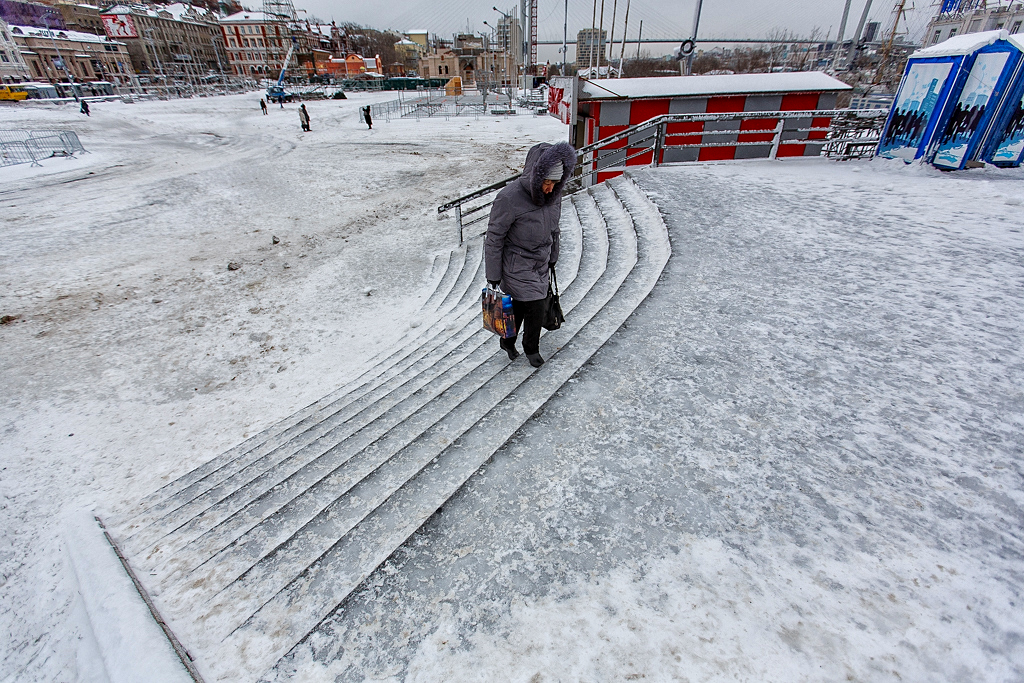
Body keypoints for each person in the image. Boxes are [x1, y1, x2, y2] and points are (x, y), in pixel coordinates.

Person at [485, 141, 576, 368]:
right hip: (516, 263)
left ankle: (507, 340)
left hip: (541, 262)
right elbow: (494, 238)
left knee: (518, 307)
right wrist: (493, 275)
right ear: (536, 177)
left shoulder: (554, 197)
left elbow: (555, 230)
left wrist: (553, 257)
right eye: (546, 182)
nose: (550, 189)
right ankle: (531, 348)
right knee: (535, 305)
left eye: (555, 183)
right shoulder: (509, 198)